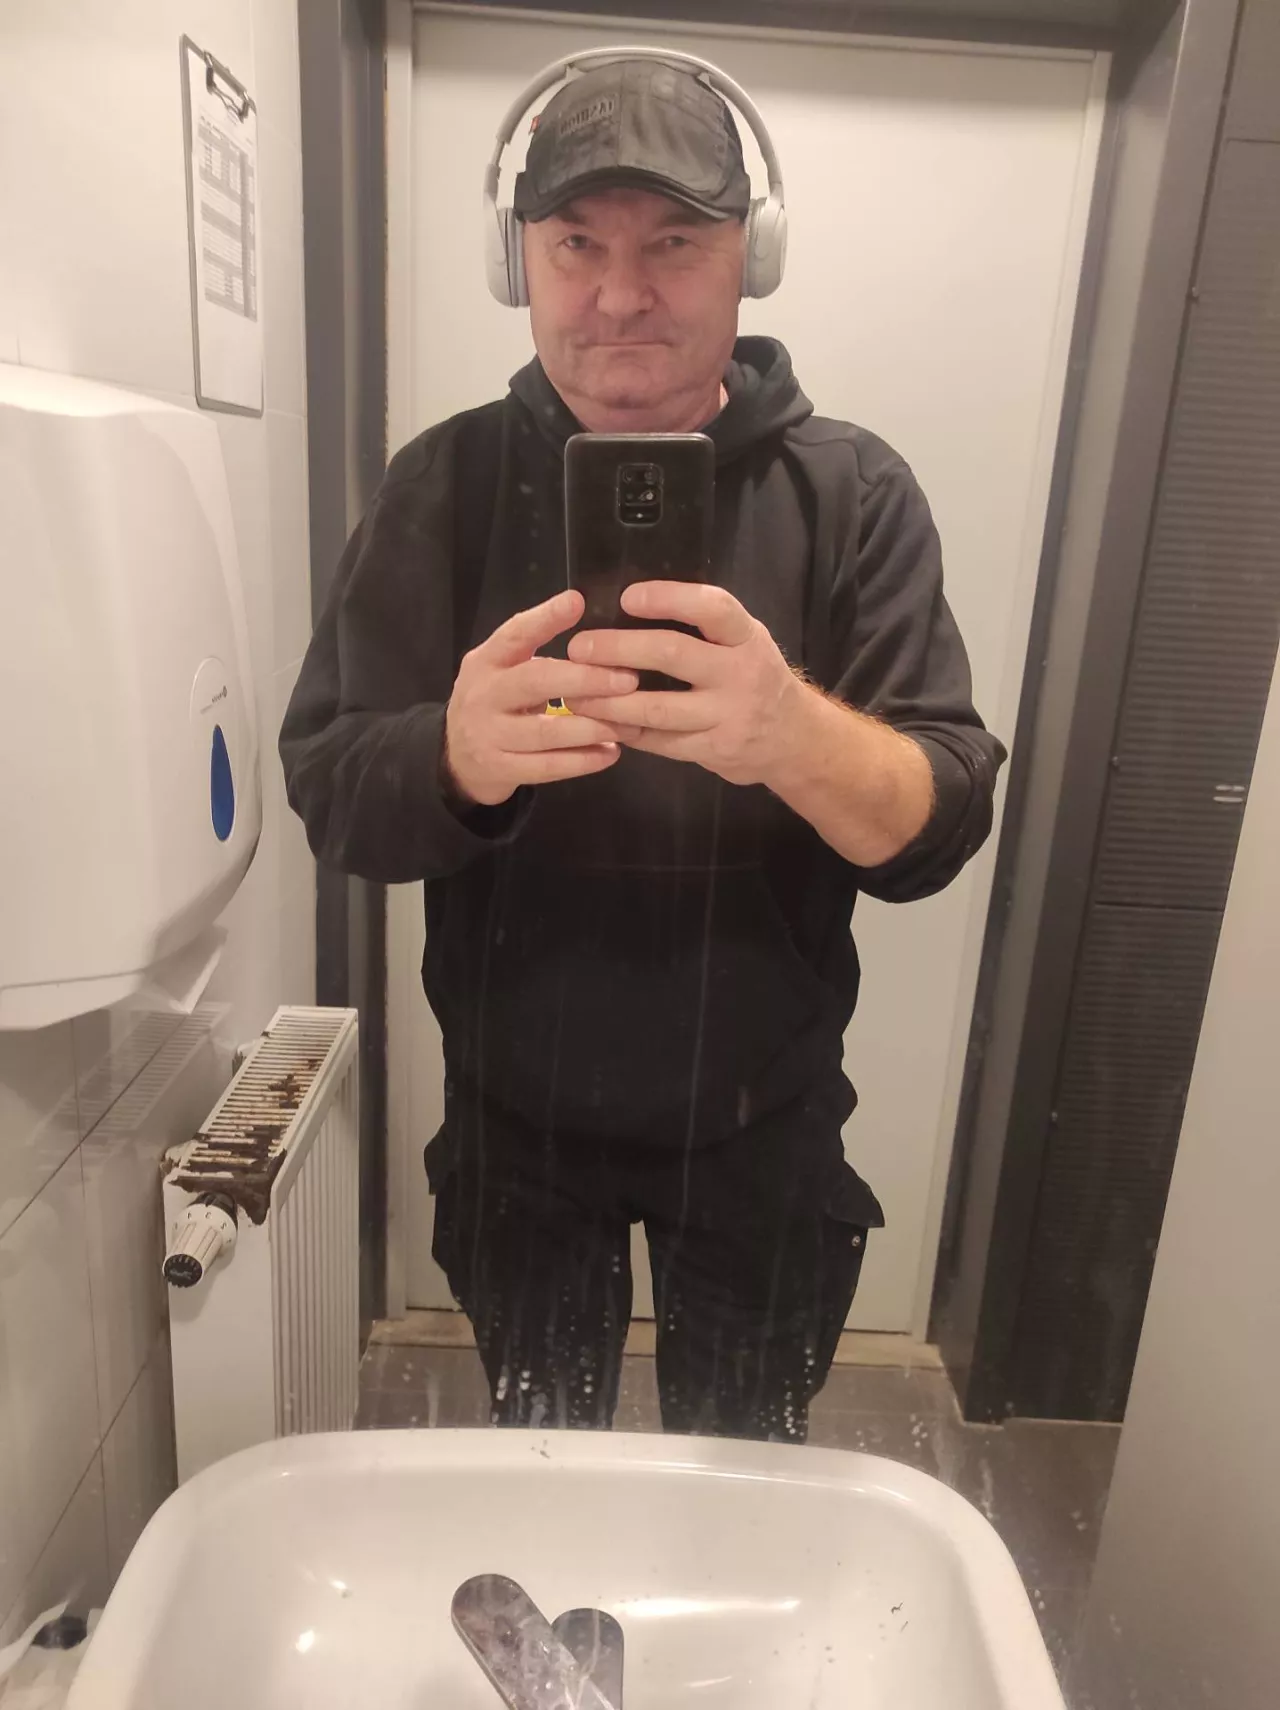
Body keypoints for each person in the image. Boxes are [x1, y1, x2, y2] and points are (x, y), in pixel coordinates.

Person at [281, 53, 1005, 1442]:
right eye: (576, 244)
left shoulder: (853, 493)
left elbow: (942, 821)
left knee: (741, 1477)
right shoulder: (443, 484)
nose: (619, 297)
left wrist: (791, 733)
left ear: (753, 259)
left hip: (762, 1126)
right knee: (545, 1459)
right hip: (516, 1126)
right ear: (520, 262)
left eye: (673, 242)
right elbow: (328, 789)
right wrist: (455, 756)